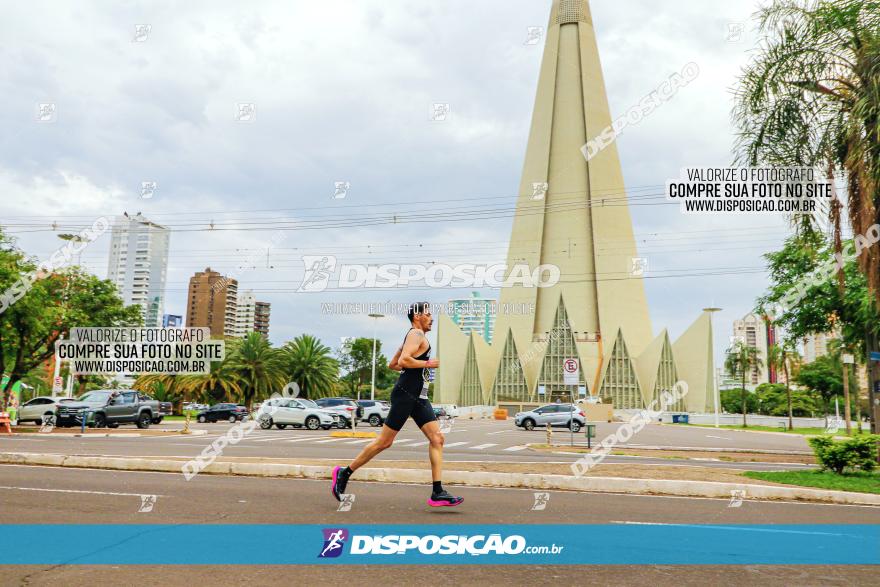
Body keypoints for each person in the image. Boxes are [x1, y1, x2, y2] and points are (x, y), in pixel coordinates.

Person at [331, 302, 463, 507]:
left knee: (437, 438)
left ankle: (437, 491)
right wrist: (427, 363)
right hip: (406, 395)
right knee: (384, 442)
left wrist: (413, 367)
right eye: (428, 314)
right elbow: (404, 360)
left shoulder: (414, 336)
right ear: (417, 316)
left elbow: (393, 364)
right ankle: (344, 473)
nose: (431, 318)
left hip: (419, 397)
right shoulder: (416, 335)